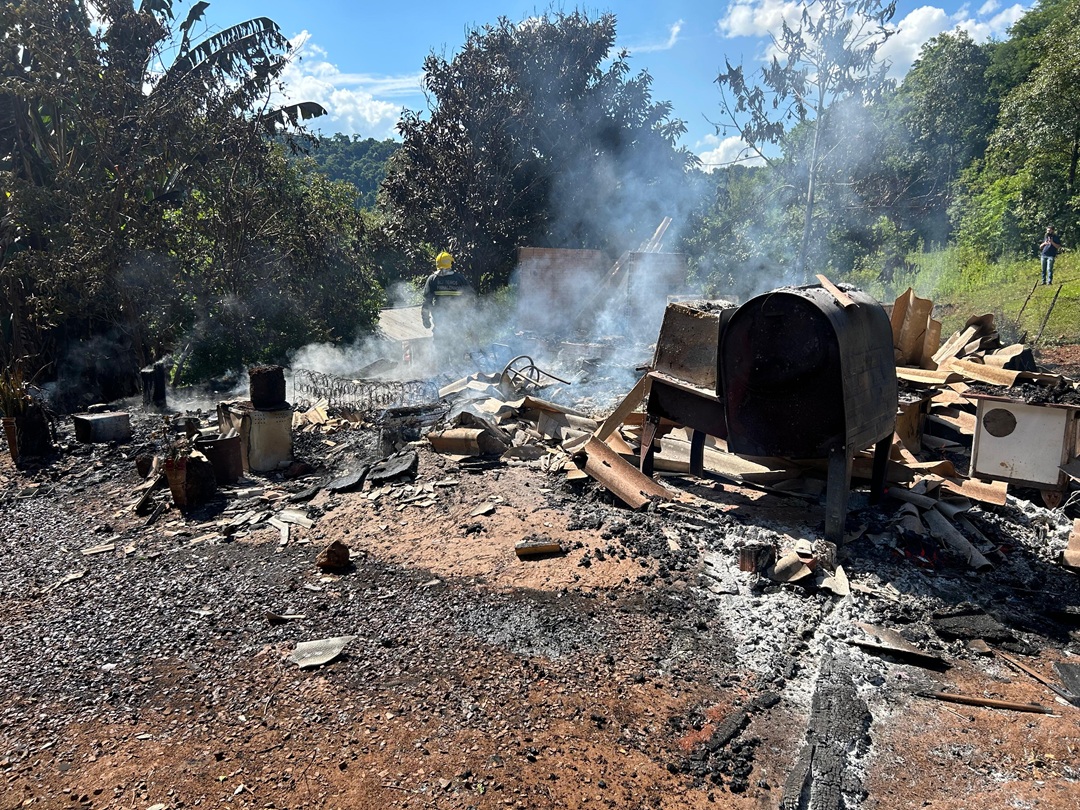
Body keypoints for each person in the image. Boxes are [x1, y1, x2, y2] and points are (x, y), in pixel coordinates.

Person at [420, 250, 475, 343]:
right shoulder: (459, 278)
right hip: (458, 325)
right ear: (450, 264)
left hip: (440, 325)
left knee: (441, 353)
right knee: (457, 352)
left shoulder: (432, 279)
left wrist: (425, 319)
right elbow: (469, 298)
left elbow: (427, 302)